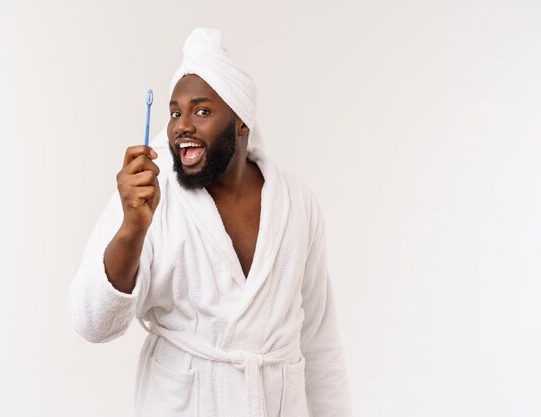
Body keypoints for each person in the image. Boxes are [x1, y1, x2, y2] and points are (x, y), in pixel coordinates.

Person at [68, 27, 353, 417]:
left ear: (241, 122)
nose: (181, 125)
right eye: (174, 112)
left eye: (201, 111)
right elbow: (92, 322)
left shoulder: (296, 202)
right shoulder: (149, 193)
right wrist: (133, 227)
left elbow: (319, 340)